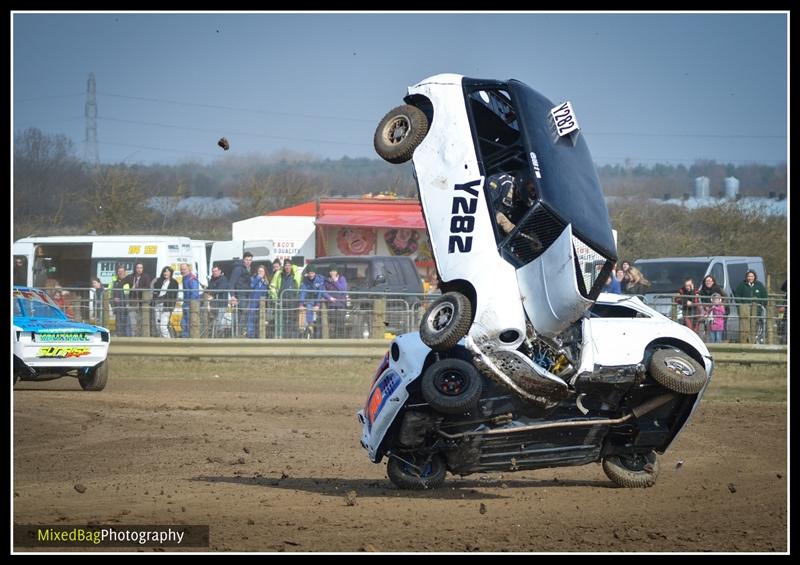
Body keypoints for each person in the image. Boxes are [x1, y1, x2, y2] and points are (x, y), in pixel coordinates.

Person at [733, 270, 768, 344]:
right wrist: (741, 305)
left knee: (755, 326)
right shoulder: (742, 285)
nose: (750, 278)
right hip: (745, 311)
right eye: (749, 276)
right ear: (746, 277)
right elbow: (737, 295)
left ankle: (754, 341)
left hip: (757, 311)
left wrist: (761, 305)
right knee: (744, 326)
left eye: (752, 276)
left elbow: (764, 296)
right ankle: (744, 342)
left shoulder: (759, 285)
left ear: (754, 277)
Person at [272, 259, 302, 337]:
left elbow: (301, 287)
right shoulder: (279, 274)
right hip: (281, 302)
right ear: (284, 266)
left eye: (289, 265)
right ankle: (282, 338)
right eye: (286, 265)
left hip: (293, 302)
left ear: (291, 266)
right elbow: (272, 286)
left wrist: (299, 299)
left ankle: (292, 338)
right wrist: (275, 299)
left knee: (293, 321)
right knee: (282, 322)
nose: (287, 267)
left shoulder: (297, 274)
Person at [123, 261, 153, 336]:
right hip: (132, 302)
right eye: (137, 268)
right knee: (133, 322)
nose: (139, 269)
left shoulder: (146, 277)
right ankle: (133, 337)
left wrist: (136, 288)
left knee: (141, 322)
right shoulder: (130, 276)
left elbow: (147, 287)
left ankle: (140, 337)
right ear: (135, 268)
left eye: (141, 268)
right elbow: (121, 284)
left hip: (142, 303)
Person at [229, 252, 254, 337]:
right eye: (246, 260)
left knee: (244, 315)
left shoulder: (248, 269)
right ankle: (238, 334)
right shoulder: (238, 269)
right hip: (240, 295)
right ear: (243, 260)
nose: (248, 261)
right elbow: (232, 282)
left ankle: (240, 333)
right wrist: (232, 296)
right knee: (242, 314)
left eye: (250, 260)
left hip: (246, 295)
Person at [151, 266, 179, 338]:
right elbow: (155, 292)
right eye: (164, 271)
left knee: (163, 326)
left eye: (167, 271)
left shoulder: (174, 282)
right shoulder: (160, 281)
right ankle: (161, 342)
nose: (165, 273)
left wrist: (159, 298)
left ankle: (168, 343)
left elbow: (171, 295)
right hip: (157, 305)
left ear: (171, 273)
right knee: (157, 326)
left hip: (166, 306)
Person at [299, 265, 326, 338]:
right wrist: (301, 304)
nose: (311, 275)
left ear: (315, 273)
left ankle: (315, 331)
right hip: (309, 299)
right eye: (309, 273)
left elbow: (320, 292)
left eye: (312, 273)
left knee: (320, 317)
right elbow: (303, 292)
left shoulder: (319, 279)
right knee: (308, 307)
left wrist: (317, 304)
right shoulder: (305, 280)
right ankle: (307, 328)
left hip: (318, 299)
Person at [323, 264, 348, 338]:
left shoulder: (342, 279)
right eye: (331, 271)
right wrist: (329, 297)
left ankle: (341, 340)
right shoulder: (326, 280)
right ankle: (332, 339)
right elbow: (323, 291)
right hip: (331, 305)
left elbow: (343, 290)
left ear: (337, 272)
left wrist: (335, 281)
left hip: (341, 305)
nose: (332, 272)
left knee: (340, 324)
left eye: (334, 271)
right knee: (332, 324)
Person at [205, 265, 230, 337]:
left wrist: (211, 293)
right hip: (213, 304)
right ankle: (214, 335)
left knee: (219, 320)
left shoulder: (223, 279)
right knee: (214, 320)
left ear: (219, 271)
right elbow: (209, 288)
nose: (214, 272)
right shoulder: (212, 280)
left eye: (216, 271)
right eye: (213, 271)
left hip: (221, 303)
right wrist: (206, 290)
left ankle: (219, 335)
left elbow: (220, 289)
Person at [247, 265, 270, 338]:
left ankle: (259, 334)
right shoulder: (253, 278)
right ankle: (251, 335)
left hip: (262, 303)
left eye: (262, 271)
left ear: (264, 272)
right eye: (259, 271)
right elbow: (251, 286)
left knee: (260, 318)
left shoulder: (266, 282)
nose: (260, 273)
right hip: (253, 301)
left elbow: (266, 292)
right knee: (251, 318)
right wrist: (257, 278)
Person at [179, 263, 201, 338]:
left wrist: (190, 303)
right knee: (183, 323)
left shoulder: (192, 279)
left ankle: (188, 339)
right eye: (181, 269)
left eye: (184, 269)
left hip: (191, 305)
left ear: (189, 269)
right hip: (186, 304)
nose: (182, 271)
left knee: (188, 323)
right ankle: (185, 338)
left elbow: (194, 293)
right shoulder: (185, 278)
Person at [108, 265, 131, 337]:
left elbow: (133, 290)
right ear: (117, 272)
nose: (120, 273)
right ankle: (119, 336)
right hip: (117, 304)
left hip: (127, 303)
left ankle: (128, 338)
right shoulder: (114, 281)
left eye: (122, 271)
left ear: (125, 272)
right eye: (119, 271)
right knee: (118, 322)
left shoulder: (129, 280)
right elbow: (109, 292)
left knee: (128, 321)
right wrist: (112, 299)